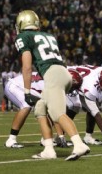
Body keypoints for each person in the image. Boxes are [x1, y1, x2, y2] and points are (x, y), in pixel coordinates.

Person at [14, 10, 89, 160]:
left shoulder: (23, 36)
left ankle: (79, 144)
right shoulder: (48, 35)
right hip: (63, 72)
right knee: (40, 108)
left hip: (53, 74)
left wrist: (27, 91)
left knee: (56, 113)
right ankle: (49, 149)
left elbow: (27, 66)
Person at [4, 69, 83, 148]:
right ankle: (11, 140)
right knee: (26, 106)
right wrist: (61, 137)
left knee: (48, 110)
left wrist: (60, 137)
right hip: (15, 86)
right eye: (72, 87)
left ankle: (46, 139)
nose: (71, 90)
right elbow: (56, 113)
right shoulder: (54, 84)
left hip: (27, 89)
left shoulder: (56, 79)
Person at [69, 65, 102, 146]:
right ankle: (58, 138)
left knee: (91, 109)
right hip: (67, 77)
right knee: (73, 106)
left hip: (77, 77)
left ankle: (88, 137)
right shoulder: (91, 87)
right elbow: (96, 114)